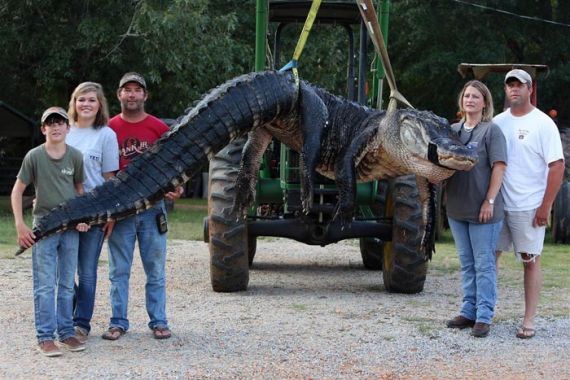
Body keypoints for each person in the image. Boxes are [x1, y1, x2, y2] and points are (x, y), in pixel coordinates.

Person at [102, 72, 183, 341]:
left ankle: (159, 322)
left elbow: (178, 159)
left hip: (153, 208)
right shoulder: (109, 128)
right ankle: (117, 322)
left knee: (155, 270)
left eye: (137, 90)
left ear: (145, 95)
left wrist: (178, 185)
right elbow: (105, 170)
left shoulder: (159, 128)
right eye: (127, 90)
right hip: (122, 209)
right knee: (118, 271)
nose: (132, 94)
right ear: (119, 95)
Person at [11, 107, 89, 356]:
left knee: (66, 284)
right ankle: (45, 337)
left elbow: (79, 191)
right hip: (44, 227)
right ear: (44, 129)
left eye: (61, 123)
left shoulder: (76, 156)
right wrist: (20, 225)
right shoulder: (34, 157)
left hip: (69, 228)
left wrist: (82, 218)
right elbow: (17, 191)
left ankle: (66, 332)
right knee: (45, 285)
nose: (56, 127)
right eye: (50, 123)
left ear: (68, 128)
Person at [494, 69, 564, 339]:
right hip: (499, 204)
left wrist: (545, 206)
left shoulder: (543, 123)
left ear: (530, 89)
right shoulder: (498, 122)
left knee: (530, 260)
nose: (514, 89)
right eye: (509, 85)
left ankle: (529, 320)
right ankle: (484, 314)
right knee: (490, 257)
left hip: (529, 205)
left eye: (519, 85)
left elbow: (557, 166)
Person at [445, 80, 508, 338]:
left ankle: (484, 316)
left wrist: (489, 200)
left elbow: (500, 167)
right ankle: (468, 310)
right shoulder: (451, 130)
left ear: (485, 102)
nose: (470, 100)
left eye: (475, 96)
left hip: (484, 210)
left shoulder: (491, 131)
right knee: (467, 263)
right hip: (457, 208)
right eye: (467, 96)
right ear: (462, 101)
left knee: (484, 264)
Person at [66, 82, 119, 341]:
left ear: (100, 105)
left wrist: (111, 214)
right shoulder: (64, 131)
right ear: (74, 103)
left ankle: (81, 323)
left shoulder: (106, 135)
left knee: (86, 271)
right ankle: (66, 312)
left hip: (95, 211)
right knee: (59, 269)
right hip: (65, 211)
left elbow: (110, 178)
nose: (85, 104)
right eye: (81, 99)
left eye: (91, 100)